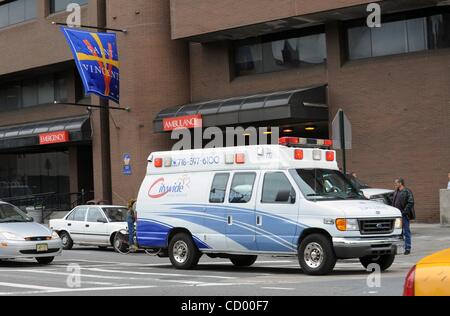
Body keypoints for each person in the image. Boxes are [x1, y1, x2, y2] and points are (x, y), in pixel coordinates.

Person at [391, 178, 415, 255]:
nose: (395, 184)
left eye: (396, 183)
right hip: (396, 215)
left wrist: (404, 212)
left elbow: (411, 202)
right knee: (397, 232)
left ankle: (407, 248)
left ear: (400, 183)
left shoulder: (407, 191)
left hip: (404, 215)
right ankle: (397, 248)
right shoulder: (396, 192)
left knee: (406, 231)